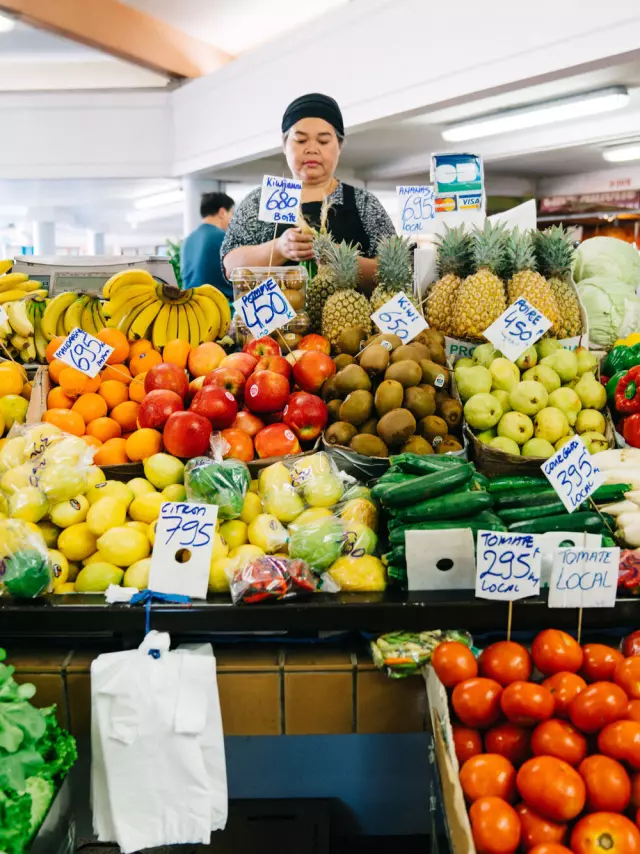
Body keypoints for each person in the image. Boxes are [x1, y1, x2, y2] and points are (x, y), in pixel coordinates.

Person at [221, 93, 396, 293]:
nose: (312, 149)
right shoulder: (259, 201)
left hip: (351, 323)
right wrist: (279, 248)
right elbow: (229, 267)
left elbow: (392, 273)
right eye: (301, 140)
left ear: (339, 146)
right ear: (284, 144)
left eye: (323, 141)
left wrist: (339, 258)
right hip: (276, 324)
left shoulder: (364, 203)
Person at [181, 191, 235, 296]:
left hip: (191, 304)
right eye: (232, 214)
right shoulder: (223, 237)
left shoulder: (188, 240)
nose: (232, 219)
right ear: (222, 212)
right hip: (218, 304)